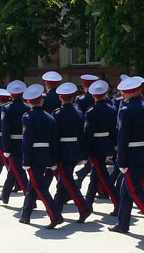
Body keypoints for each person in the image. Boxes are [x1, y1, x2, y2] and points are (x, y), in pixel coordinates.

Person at [110, 76, 144, 240]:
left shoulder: (125, 110)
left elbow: (123, 137)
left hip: (130, 155)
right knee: (125, 190)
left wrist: (121, 159)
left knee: (135, 191)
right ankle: (122, 223)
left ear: (126, 93)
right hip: (142, 152)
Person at [19, 84, 64, 228]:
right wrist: (53, 159)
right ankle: (25, 215)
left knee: (40, 187)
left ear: (28, 102)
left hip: (34, 156)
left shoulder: (27, 117)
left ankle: (55, 215)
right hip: (46, 155)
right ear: (42, 101)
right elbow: (54, 140)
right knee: (33, 185)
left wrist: (26, 160)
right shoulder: (50, 118)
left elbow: (27, 141)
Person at [52, 82, 91, 222]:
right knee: (63, 180)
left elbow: (55, 137)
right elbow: (82, 135)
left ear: (60, 98)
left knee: (67, 180)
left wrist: (53, 155)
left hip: (63, 151)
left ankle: (83, 207)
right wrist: (83, 153)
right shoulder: (79, 113)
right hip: (75, 149)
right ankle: (56, 210)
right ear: (73, 98)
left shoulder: (57, 114)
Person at [83, 80, 120, 214]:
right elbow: (114, 129)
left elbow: (88, 133)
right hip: (107, 144)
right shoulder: (112, 109)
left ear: (93, 95)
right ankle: (87, 205)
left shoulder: (90, 112)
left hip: (95, 146)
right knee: (95, 176)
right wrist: (114, 145)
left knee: (103, 176)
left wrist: (85, 150)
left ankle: (118, 202)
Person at [0, 80, 31, 203]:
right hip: (26, 143)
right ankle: (5, 195)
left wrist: (6, 148)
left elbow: (5, 130)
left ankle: (30, 199)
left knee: (20, 173)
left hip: (12, 144)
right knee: (14, 170)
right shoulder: (28, 107)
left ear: (11, 94)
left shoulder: (6, 108)